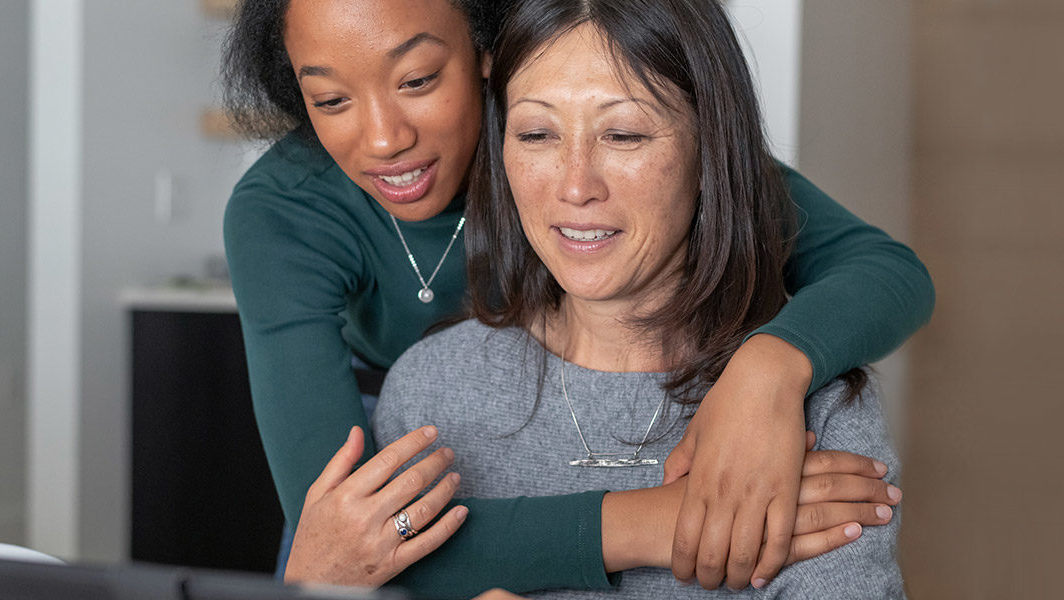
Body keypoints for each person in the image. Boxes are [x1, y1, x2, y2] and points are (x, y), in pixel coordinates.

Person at [220, 0, 930, 591]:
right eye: (331, 99)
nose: (383, 139)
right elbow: (351, 535)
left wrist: (767, 371)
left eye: (418, 79)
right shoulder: (287, 216)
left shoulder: (614, 123)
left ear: (486, 50)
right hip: (386, 445)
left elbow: (884, 270)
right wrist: (672, 520)